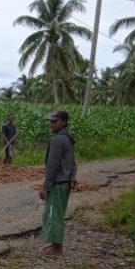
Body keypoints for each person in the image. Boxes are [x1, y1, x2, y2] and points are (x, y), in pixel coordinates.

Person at [40, 109, 77, 256]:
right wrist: (72, 177)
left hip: (58, 182)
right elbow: (72, 162)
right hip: (65, 182)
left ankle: (56, 248)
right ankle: (56, 245)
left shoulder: (57, 140)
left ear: (64, 122)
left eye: (55, 121)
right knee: (58, 214)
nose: (51, 124)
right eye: (51, 121)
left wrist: (45, 186)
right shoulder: (68, 138)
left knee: (53, 214)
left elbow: (52, 165)